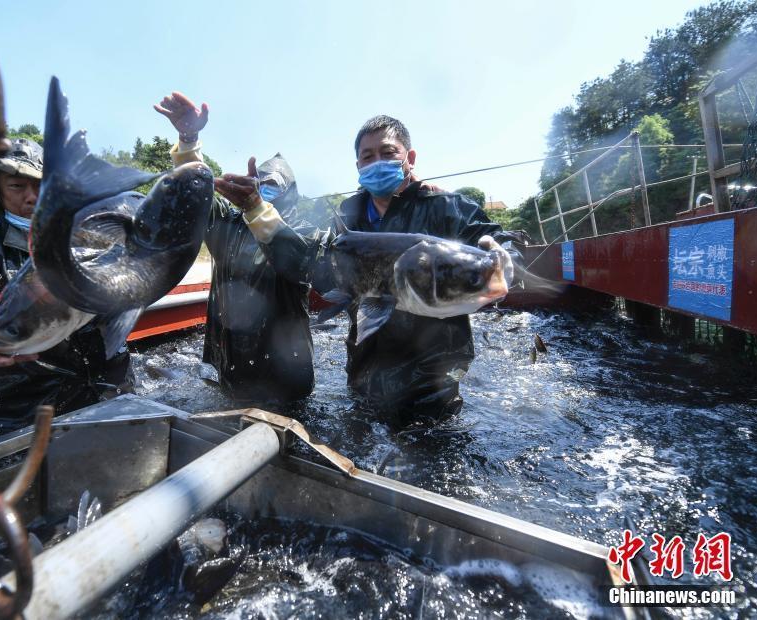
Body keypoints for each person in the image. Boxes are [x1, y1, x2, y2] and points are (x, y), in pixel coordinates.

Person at [223, 115, 521, 425]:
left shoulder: (447, 208)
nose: (377, 161)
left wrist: (506, 262)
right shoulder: (347, 214)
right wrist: (256, 208)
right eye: (368, 156)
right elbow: (317, 268)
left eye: (388, 152)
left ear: (410, 157)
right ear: (358, 166)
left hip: (432, 377)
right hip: (364, 367)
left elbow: (502, 246)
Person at [0, 139, 134, 431]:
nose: (32, 197)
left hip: (114, 392)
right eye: (17, 186)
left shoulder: (94, 236)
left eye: (40, 185)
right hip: (29, 410)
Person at [154, 93, 318, 404]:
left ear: (290, 194)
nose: (258, 189)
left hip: (287, 383)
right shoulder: (228, 226)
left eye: (269, 185)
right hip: (231, 373)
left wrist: (258, 209)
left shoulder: (301, 233)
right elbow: (196, 191)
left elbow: (300, 260)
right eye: (255, 182)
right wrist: (189, 139)